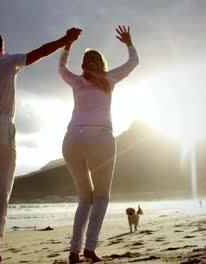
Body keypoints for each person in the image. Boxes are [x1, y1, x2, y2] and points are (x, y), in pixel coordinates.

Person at [0, 27, 82, 262]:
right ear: (2, 48)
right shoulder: (8, 61)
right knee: (4, 180)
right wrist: (66, 39)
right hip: (2, 124)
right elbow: (41, 52)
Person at [59, 25, 139, 263]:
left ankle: (74, 251)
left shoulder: (76, 81)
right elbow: (133, 62)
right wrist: (128, 42)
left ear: (83, 65)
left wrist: (68, 45)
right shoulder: (109, 78)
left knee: (85, 198)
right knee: (101, 198)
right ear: (101, 63)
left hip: (72, 138)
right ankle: (90, 248)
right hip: (101, 138)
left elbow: (61, 68)